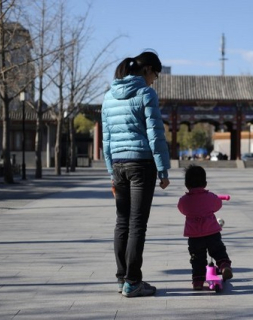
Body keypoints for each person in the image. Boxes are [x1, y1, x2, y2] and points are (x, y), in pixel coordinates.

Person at [101, 50, 170, 297]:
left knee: (122, 222)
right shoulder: (145, 94)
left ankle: (122, 280)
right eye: (155, 75)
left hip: (118, 165)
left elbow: (106, 140)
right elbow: (155, 134)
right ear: (147, 69)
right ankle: (133, 281)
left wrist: (111, 172)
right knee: (137, 224)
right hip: (141, 165)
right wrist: (163, 170)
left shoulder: (108, 97)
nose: (155, 80)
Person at [177, 165, 233, 290]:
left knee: (197, 259)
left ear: (186, 184)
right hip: (212, 232)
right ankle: (224, 266)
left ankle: (197, 281)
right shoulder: (211, 197)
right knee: (218, 251)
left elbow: (182, 209)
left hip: (194, 236)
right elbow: (217, 205)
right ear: (205, 183)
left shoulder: (184, 200)